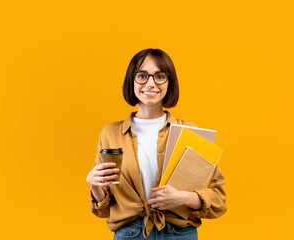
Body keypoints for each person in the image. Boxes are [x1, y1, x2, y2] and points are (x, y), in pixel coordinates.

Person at [86, 48, 227, 239]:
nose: (150, 84)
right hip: (130, 234)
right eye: (142, 76)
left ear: (169, 83)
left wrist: (182, 198)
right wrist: (93, 184)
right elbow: (103, 210)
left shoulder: (191, 133)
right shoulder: (110, 133)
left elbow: (218, 201)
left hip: (178, 233)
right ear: (132, 80)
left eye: (159, 76)